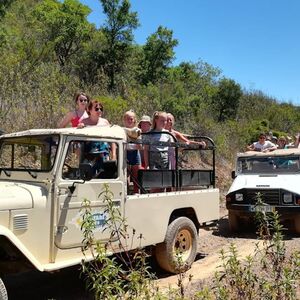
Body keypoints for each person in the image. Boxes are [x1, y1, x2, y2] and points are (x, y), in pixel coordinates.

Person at [123, 110, 142, 193]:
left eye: (131, 119)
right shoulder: (121, 130)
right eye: (127, 119)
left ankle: (136, 192)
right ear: (124, 120)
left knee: (136, 175)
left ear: (134, 120)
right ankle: (125, 192)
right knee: (125, 175)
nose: (129, 121)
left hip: (135, 154)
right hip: (124, 154)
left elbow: (140, 146)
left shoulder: (138, 131)